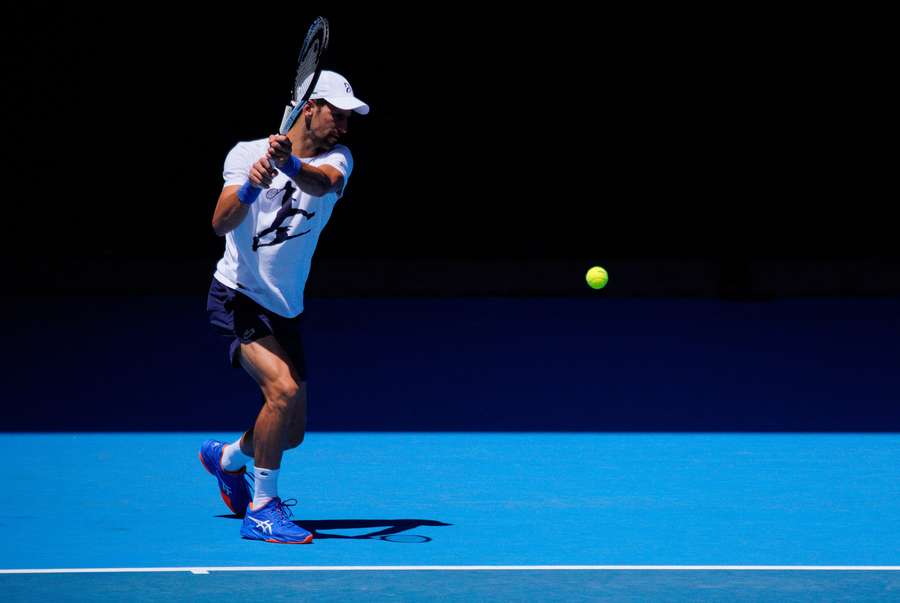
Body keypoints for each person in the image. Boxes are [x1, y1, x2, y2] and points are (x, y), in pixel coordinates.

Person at [198, 71, 369, 544]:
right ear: (308, 107)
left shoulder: (340, 159)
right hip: (236, 295)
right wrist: (253, 184)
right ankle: (263, 510)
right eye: (338, 114)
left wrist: (288, 163)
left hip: (285, 308)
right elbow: (219, 223)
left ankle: (227, 458)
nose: (344, 127)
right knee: (282, 390)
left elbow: (320, 183)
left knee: (289, 434)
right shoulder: (244, 153)